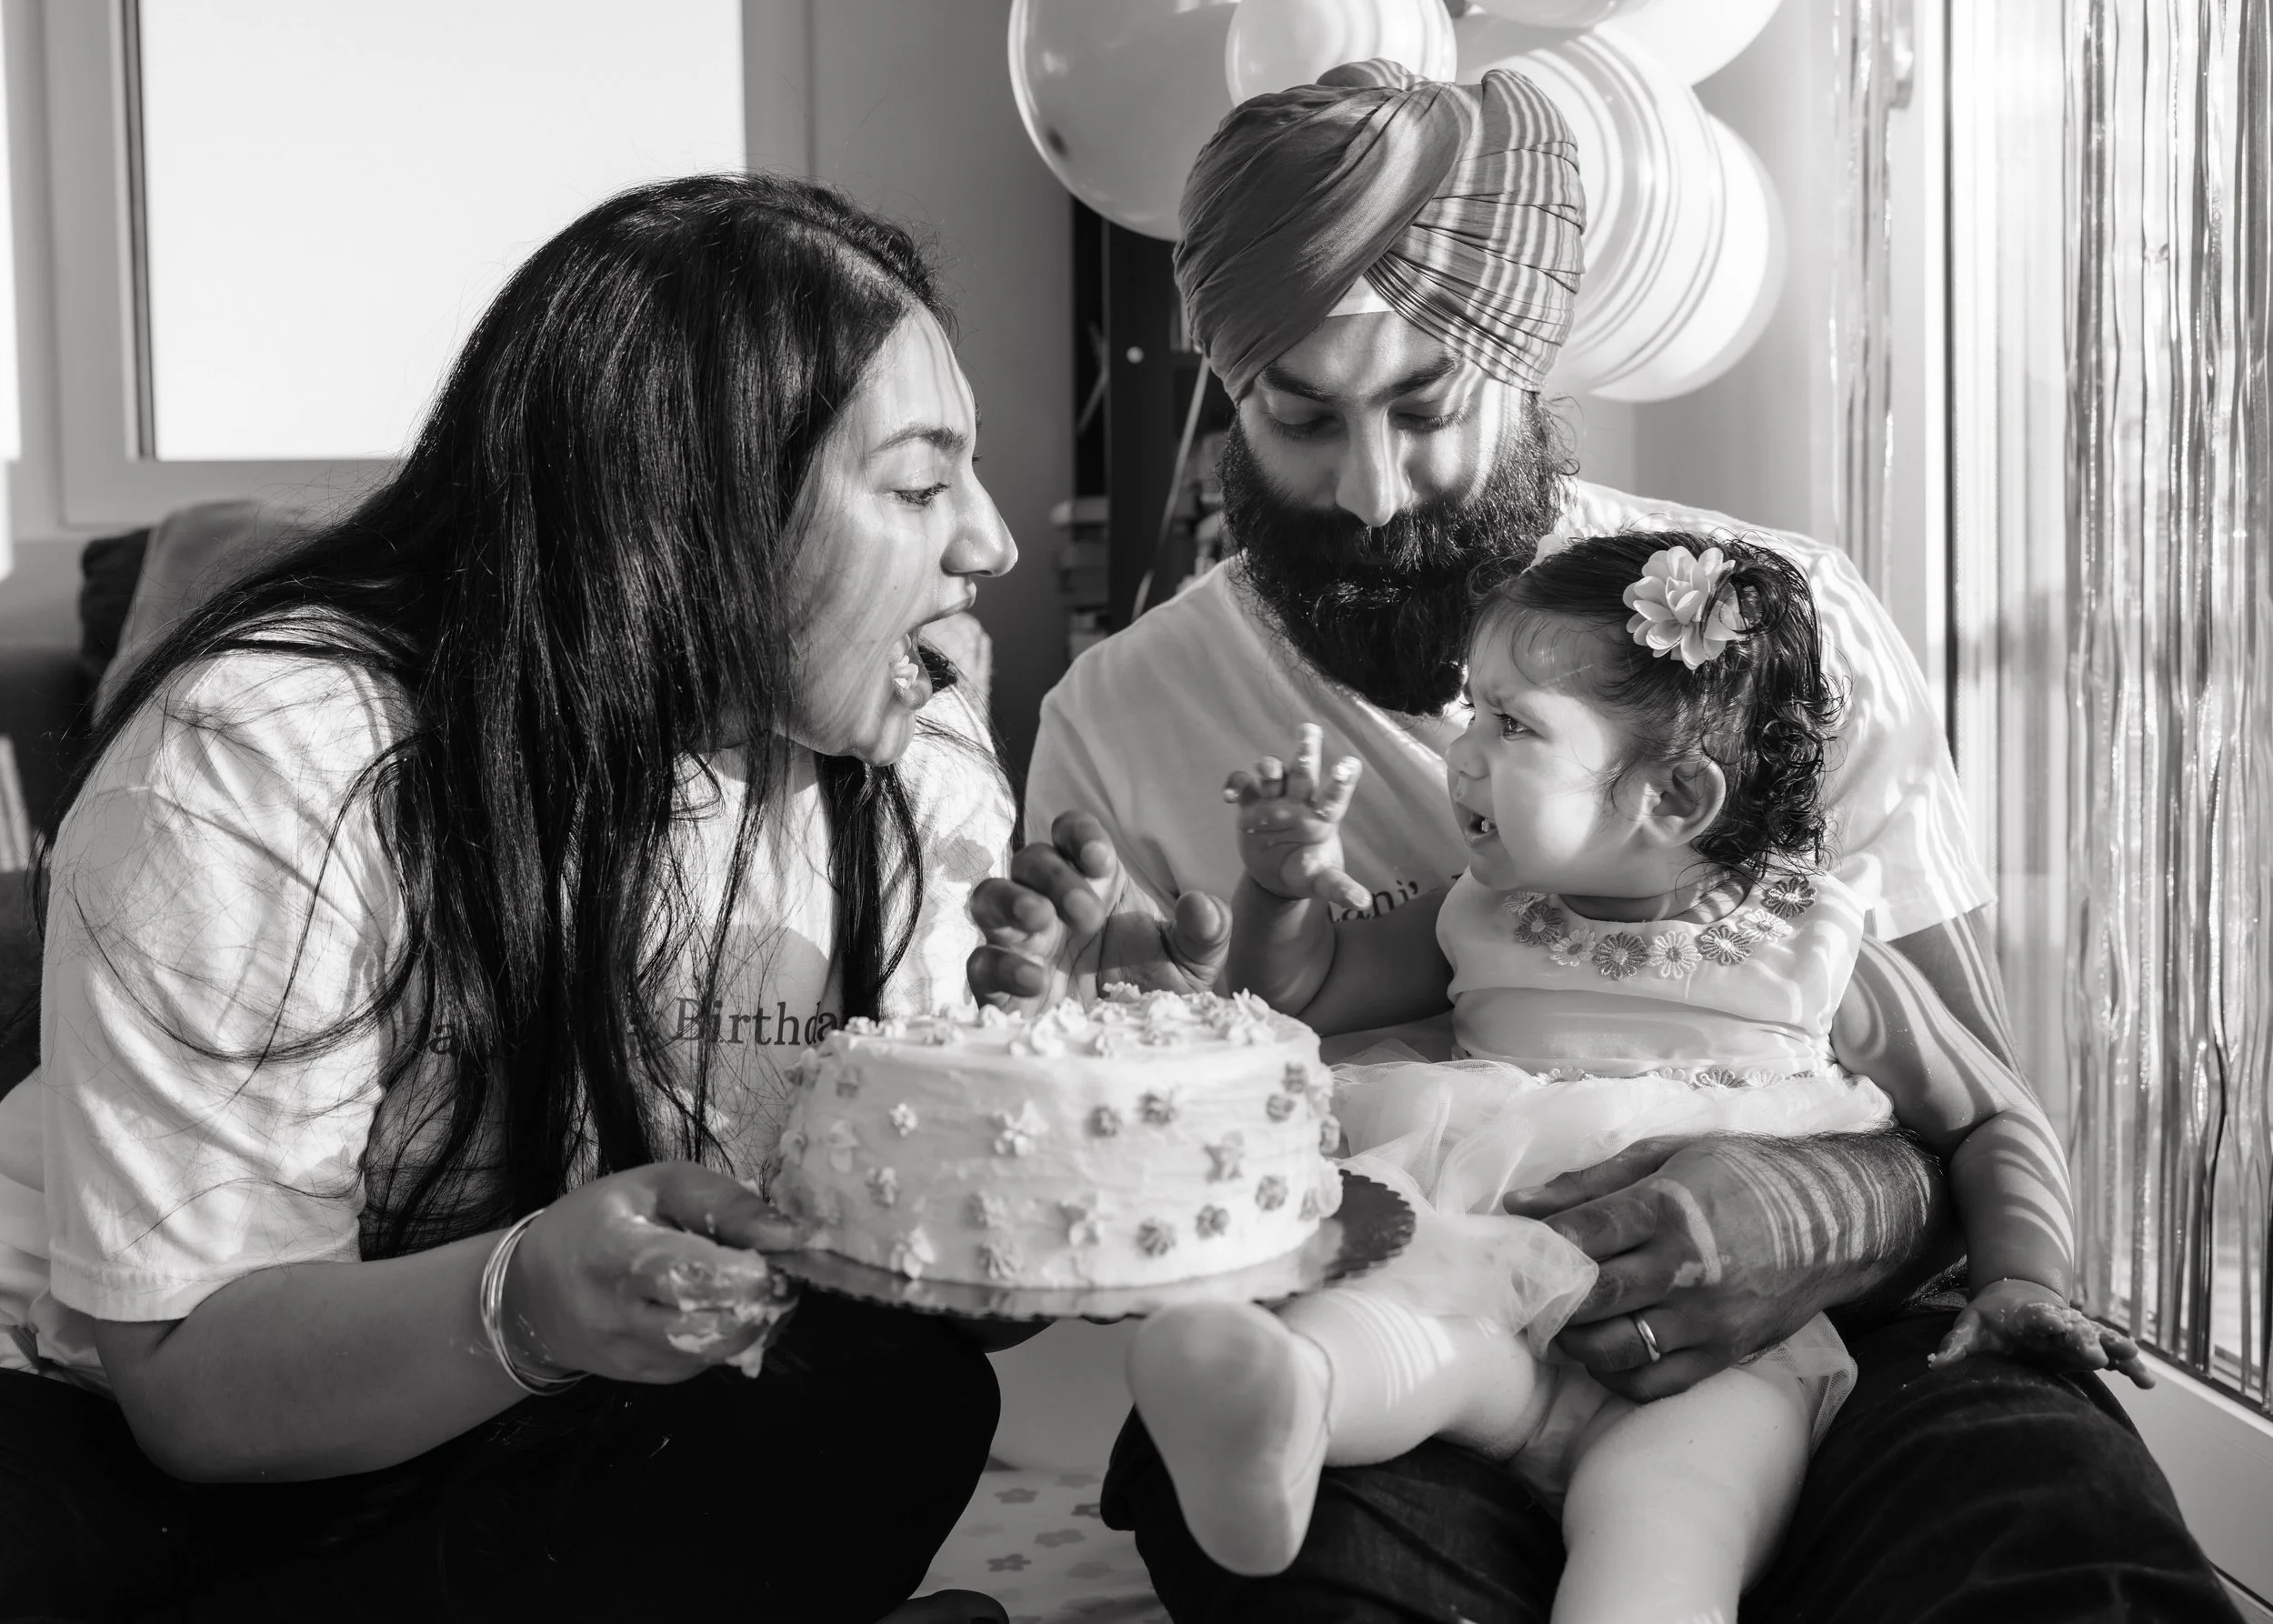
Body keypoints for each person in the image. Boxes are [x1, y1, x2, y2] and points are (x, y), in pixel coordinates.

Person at [972, 60, 2239, 1624]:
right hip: (1419, 1330)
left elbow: (1973, 1100)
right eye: (1299, 417)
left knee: (2052, 1533)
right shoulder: (1122, 715)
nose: (1372, 491)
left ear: (1527, 363)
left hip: (1838, 1346)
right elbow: (1139, 1188)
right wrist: (1086, 1054)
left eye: (1428, 405)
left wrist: (1828, 1211)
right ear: (1230, 396)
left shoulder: (1773, 626)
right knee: (1300, 1544)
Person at [0, 175, 1019, 1624]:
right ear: (689, 504)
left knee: (891, 1399)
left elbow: (912, 1276)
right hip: (122, 1406)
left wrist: (1041, 1133)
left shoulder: (912, 762)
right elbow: (188, 1381)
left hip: (525, 1421)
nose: (988, 542)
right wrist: (525, 1299)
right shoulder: (276, 750)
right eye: (919, 486)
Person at [1123, 532, 2147, 1623]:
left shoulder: (1811, 948)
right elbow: (1310, 988)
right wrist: (1279, 892)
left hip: (1716, 1375)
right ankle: (1276, 1404)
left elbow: (1990, 1115)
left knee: (1662, 1525)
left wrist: (2020, 1280)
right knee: (1397, 1333)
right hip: (1488, 1297)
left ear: (1674, 793)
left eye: (1509, 725)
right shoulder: (1479, 911)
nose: (1459, 755)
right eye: (1475, 710)